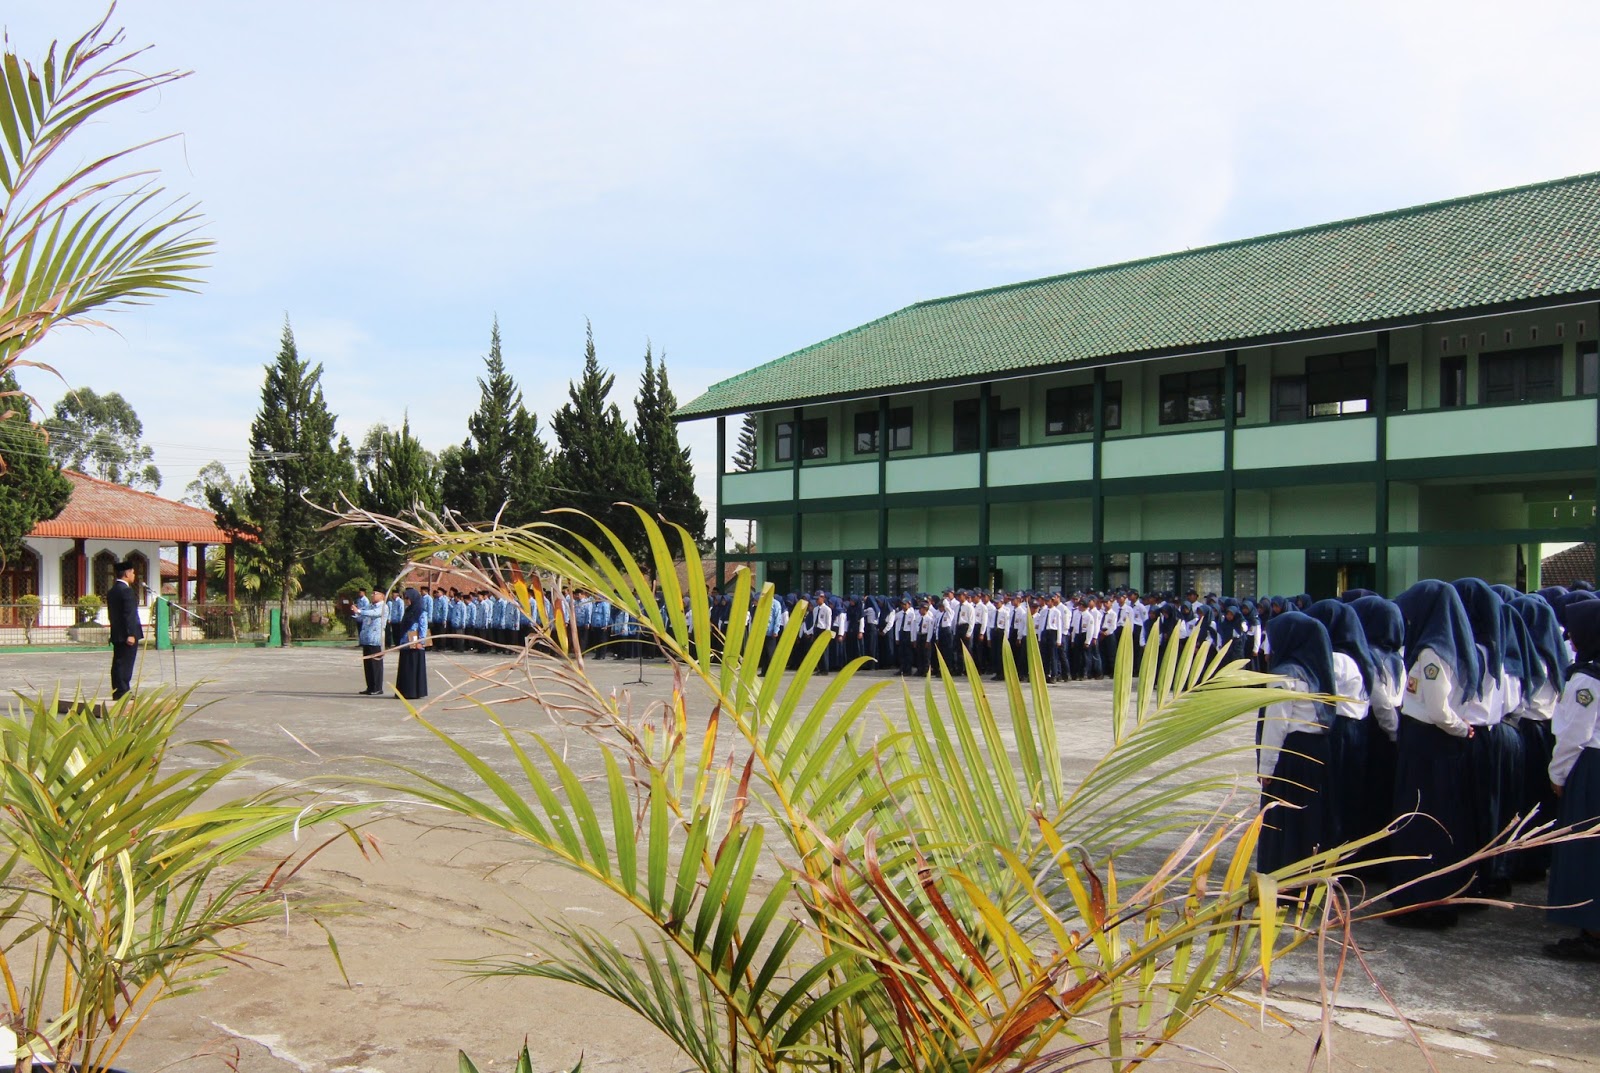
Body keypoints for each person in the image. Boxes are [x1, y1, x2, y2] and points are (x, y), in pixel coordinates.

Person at [1387, 580, 1478, 929]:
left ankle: (1422, 902)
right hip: (1431, 742)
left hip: (1428, 743)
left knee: (1421, 820)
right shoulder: (1443, 648)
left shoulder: (1431, 654)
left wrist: (1460, 728)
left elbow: (1438, 710)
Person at [1256, 611, 1337, 874]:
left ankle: (1282, 876)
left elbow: (1275, 725)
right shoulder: (1318, 672)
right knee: (1309, 817)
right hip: (1316, 750)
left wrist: (1266, 768)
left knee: (1284, 820)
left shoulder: (1284, 676)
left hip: (1291, 753)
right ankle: (1308, 875)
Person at [1545, 599, 1600, 960]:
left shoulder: (1588, 678)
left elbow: (1574, 735)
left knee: (1587, 850)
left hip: (1592, 766)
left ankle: (1593, 932)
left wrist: (1558, 773)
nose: (1570, 637)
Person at [107, 559, 143, 700]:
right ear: (127, 574)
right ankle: (123, 691)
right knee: (125, 664)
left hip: (117, 633)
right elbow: (129, 614)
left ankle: (118, 690)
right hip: (127, 635)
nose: (134, 575)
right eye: (133, 573)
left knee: (118, 663)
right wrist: (131, 634)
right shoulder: (126, 591)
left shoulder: (113, 591)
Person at [351, 588, 387, 695]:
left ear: (382, 596)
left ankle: (377, 687)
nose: (372, 595)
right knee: (368, 665)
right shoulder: (370, 606)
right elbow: (361, 614)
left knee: (375, 664)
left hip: (375, 640)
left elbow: (373, 613)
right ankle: (370, 687)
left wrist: (360, 611)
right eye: (372, 593)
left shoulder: (383, 607)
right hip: (367, 639)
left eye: (375, 593)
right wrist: (355, 611)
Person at [394, 588, 428, 700]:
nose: (406, 600)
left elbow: (423, 627)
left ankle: (413, 692)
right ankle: (403, 691)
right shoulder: (408, 610)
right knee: (405, 667)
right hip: (405, 641)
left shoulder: (421, 611)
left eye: (407, 598)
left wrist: (421, 641)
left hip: (415, 644)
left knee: (413, 667)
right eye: (405, 598)